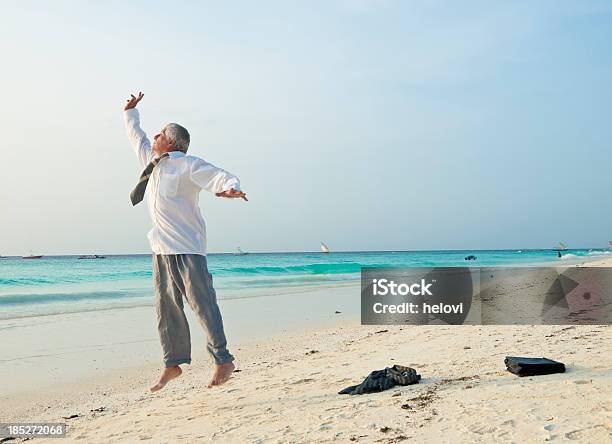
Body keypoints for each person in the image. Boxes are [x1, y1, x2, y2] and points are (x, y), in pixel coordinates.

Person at [123, 92, 247, 392]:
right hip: (161, 250)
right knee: (166, 309)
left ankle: (223, 360)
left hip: (189, 249)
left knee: (203, 306)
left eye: (161, 133)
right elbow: (137, 137)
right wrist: (130, 113)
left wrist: (230, 188)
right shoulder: (151, 162)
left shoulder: (188, 164)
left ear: (172, 142)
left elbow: (218, 175)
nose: (155, 136)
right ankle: (172, 364)